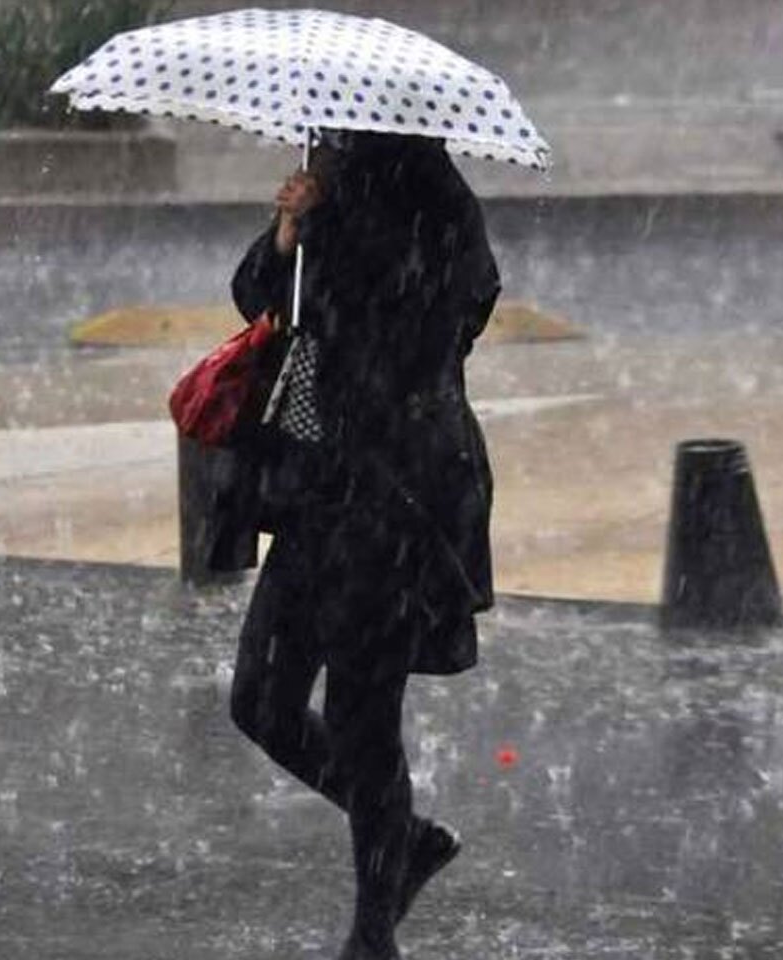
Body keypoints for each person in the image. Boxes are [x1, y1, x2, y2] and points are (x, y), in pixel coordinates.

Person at [227, 129, 500, 960]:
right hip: (322, 490)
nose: (333, 142)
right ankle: (403, 838)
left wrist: (336, 242)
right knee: (262, 700)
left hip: (402, 497)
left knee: (362, 718)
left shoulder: (434, 196)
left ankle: (374, 931)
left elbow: (454, 309)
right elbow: (257, 295)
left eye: (346, 136)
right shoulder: (328, 179)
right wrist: (288, 231)